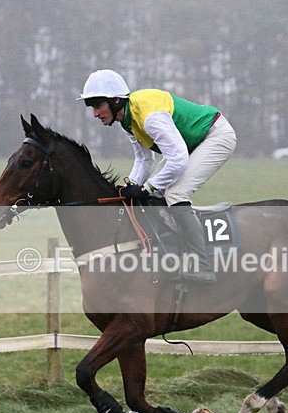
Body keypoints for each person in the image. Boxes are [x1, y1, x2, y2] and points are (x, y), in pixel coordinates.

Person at [79, 69, 237, 283]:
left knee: (175, 192)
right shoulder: (127, 119)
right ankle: (174, 252)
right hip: (190, 143)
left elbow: (178, 160)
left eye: (98, 106)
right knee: (155, 190)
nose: (95, 114)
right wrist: (131, 186)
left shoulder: (149, 117)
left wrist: (146, 188)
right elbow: (144, 161)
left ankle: (202, 264)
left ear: (115, 100)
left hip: (215, 136)